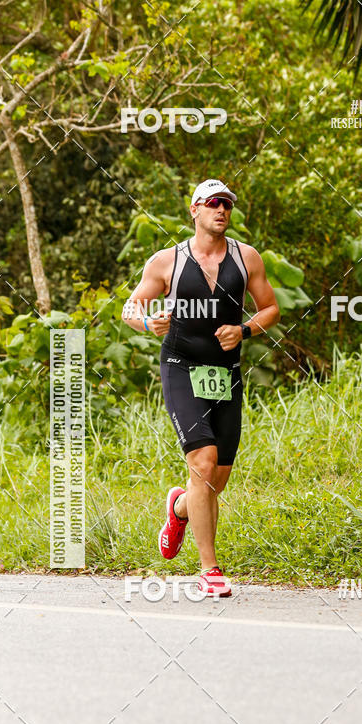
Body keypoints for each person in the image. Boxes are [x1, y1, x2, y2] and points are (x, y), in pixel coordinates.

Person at [122, 179, 280, 596]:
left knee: (216, 478)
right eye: (213, 203)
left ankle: (177, 509)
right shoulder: (166, 261)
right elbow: (130, 307)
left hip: (225, 372)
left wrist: (244, 330)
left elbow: (271, 307)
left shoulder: (247, 258)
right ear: (194, 210)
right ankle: (210, 570)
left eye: (227, 203)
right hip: (181, 367)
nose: (222, 209)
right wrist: (147, 323)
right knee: (204, 464)